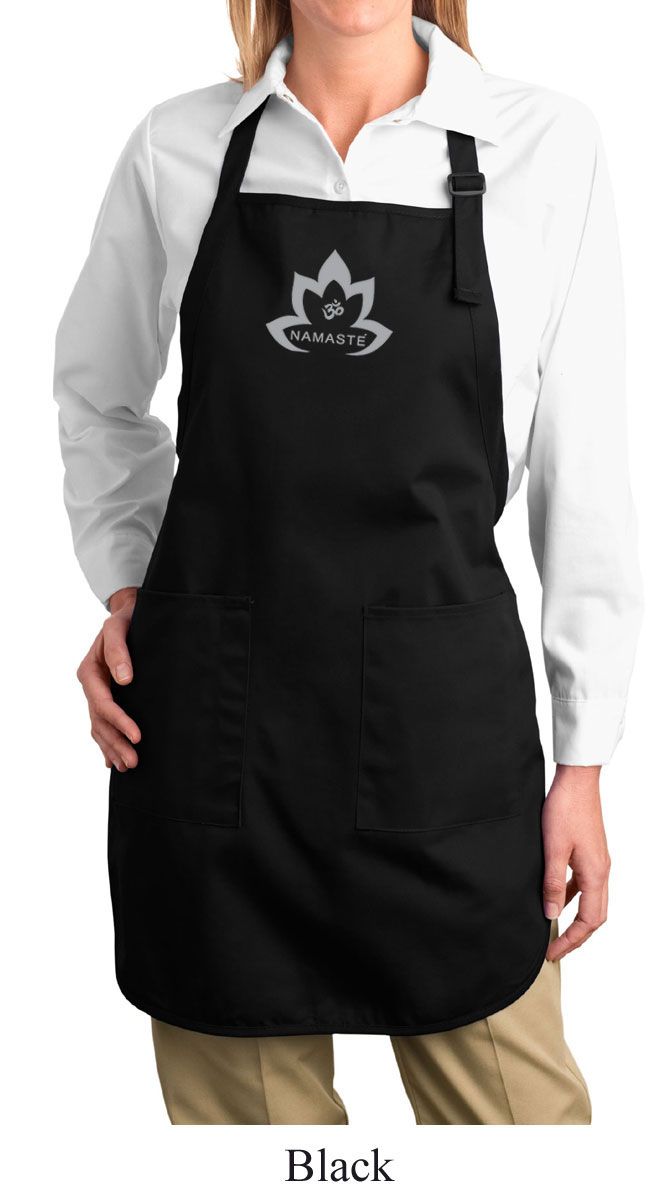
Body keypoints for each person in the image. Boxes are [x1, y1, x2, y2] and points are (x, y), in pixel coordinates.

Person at [54, 0, 642, 1125]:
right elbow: (97, 396)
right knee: (251, 1163)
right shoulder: (179, 146)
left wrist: (584, 757)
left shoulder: (542, 144)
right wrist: (133, 588)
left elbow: (585, 471)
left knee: (521, 1139)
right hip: (216, 747)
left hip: (444, 750)